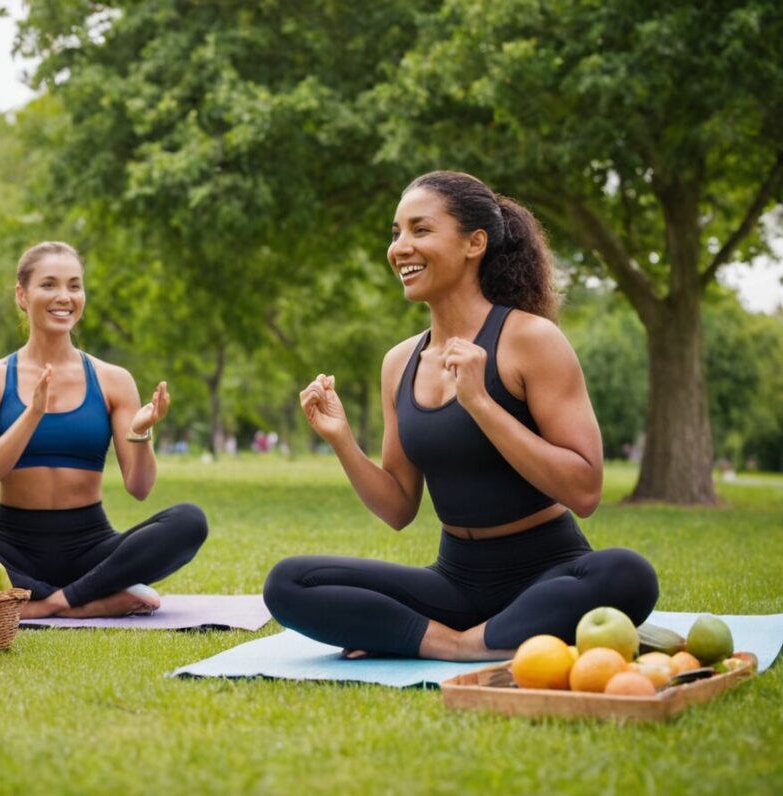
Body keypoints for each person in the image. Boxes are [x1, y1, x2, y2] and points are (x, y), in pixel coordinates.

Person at [263, 171, 658, 660]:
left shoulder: (530, 340)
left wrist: (482, 404)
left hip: (550, 573)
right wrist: (342, 439)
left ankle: (451, 639)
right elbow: (398, 509)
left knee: (626, 573)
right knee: (290, 582)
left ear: (475, 243)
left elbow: (585, 490)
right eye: (396, 233)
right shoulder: (399, 362)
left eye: (420, 230)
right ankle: (460, 643)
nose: (400, 248)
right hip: (455, 584)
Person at [0, 242, 208, 617]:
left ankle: (48, 602)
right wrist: (32, 414)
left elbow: (139, 489)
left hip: (92, 549)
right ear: (22, 295)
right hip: (10, 550)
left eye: (74, 286)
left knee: (190, 521)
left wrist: (141, 434)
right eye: (48, 285)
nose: (64, 297)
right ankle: (79, 601)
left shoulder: (113, 380)